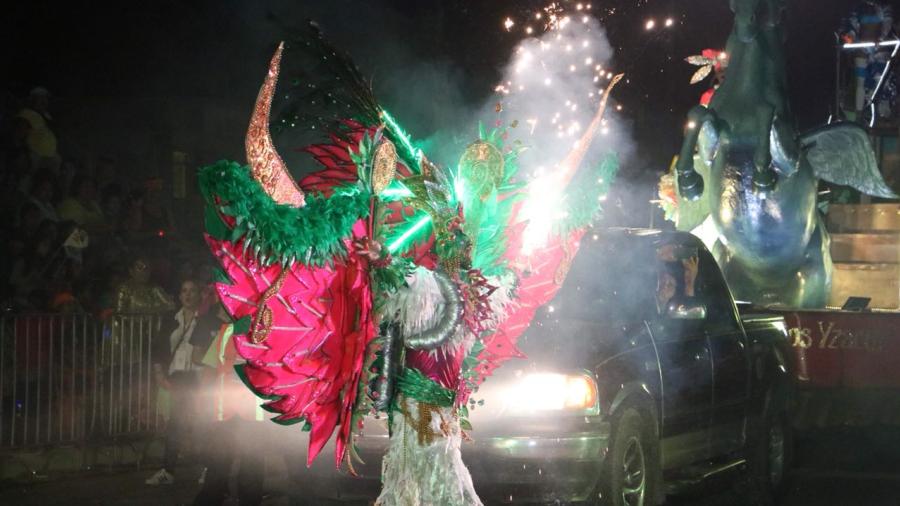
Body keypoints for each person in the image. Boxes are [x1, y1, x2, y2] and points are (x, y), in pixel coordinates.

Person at [145, 279, 219, 486]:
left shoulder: (207, 320)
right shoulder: (171, 319)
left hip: (199, 376)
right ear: (179, 296)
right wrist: (159, 374)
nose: (187, 295)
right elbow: (159, 349)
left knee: (202, 424)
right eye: (184, 291)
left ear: (199, 295)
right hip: (178, 376)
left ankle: (209, 469)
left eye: (192, 290)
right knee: (176, 423)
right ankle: (168, 470)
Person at [191, 304, 265, 505]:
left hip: (253, 413)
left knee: (251, 466)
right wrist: (202, 400)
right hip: (225, 411)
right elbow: (210, 369)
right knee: (219, 463)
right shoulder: (226, 332)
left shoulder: (266, 333)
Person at [16, 87, 60, 171]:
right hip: (35, 155)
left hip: (51, 156)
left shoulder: (48, 116)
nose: (43, 101)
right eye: (40, 98)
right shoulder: (26, 113)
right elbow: (19, 134)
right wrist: (23, 153)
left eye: (45, 98)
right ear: (33, 99)